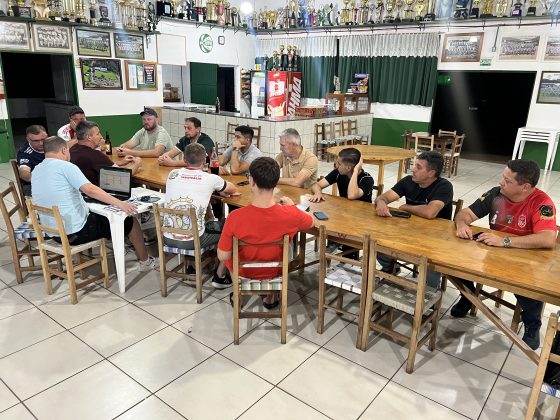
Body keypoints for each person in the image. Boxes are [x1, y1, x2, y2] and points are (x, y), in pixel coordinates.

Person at [452, 159, 557, 350]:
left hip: (526, 262)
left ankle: (532, 324)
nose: (501, 182)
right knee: (451, 261)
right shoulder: (496, 194)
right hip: (493, 255)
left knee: (530, 290)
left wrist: (505, 241)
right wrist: (461, 224)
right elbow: (465, 213)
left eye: (507, 181)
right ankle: (468, 295)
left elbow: (548, 239)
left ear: (525, 187)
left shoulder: (542, 203)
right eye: (503, 177)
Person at [31, 136, 159, 271]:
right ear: (64, 150)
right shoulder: (66, 167)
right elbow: (90, 190)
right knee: (130, 221)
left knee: (102, 216)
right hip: (75, 233)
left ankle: (122, 248)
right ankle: (145, 262)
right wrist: (121, 204)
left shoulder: (37, 169)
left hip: (53, 233)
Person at [217, 157, 314, 308]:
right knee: (286, 247)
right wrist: (292, 207)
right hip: (275, 272)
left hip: (243, 273)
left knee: (229, 254)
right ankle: (271, 297)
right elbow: (313, 222)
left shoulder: (235, 217)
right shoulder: (290, 214)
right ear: (275, 183)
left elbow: (223, 256)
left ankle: (238, 295)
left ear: (252, 181)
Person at [164, 143, 239, 288]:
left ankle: (193, 265)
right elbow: (232, 188)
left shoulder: (172, 174)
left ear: (184, 159)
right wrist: (219, 190)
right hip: (193, 240)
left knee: (206, 220)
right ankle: (220, 276)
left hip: (168, 237)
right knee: (231, 229)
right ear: (205, 161)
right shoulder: (210, 179)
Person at [374, 150, 453, 288]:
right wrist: (381, 202)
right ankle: (390, 268)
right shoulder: (408, 181)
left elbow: (430, 212)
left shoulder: (444, 186)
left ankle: (431, 290)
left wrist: (406, 207)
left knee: (432, 260)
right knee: (377, 239)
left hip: (436, 238)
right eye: (414, 165)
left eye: (418, 167)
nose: (413, 169)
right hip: (409, 232)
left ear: (431, 173)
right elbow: (384, 197)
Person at [70, 120, 142, 186]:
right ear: (89, 137)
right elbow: (122, 177)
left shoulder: (72, 150)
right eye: (98, 134)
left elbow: (96, 165)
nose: (101, 137)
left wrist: (121, 162)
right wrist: (137, 163)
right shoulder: (95, 155)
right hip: (100, 193)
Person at [309, 147, 374, 203]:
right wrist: (318, 193)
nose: (336, 166)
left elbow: (351, 195)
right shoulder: (338, 173)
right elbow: (316, 185)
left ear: (348, 168)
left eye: (339, 164)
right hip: (344, 209)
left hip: (362, 212)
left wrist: (355, 171)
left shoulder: (367, 179)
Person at [16, 125, 47, 197]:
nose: (41, 143)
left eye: (43, 139)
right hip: (32, 185)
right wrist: (43, 179)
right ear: (28, 139)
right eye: (36, 141)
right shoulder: (24, 153)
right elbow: (24, 173)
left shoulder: (52, 144)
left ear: (47, 136)